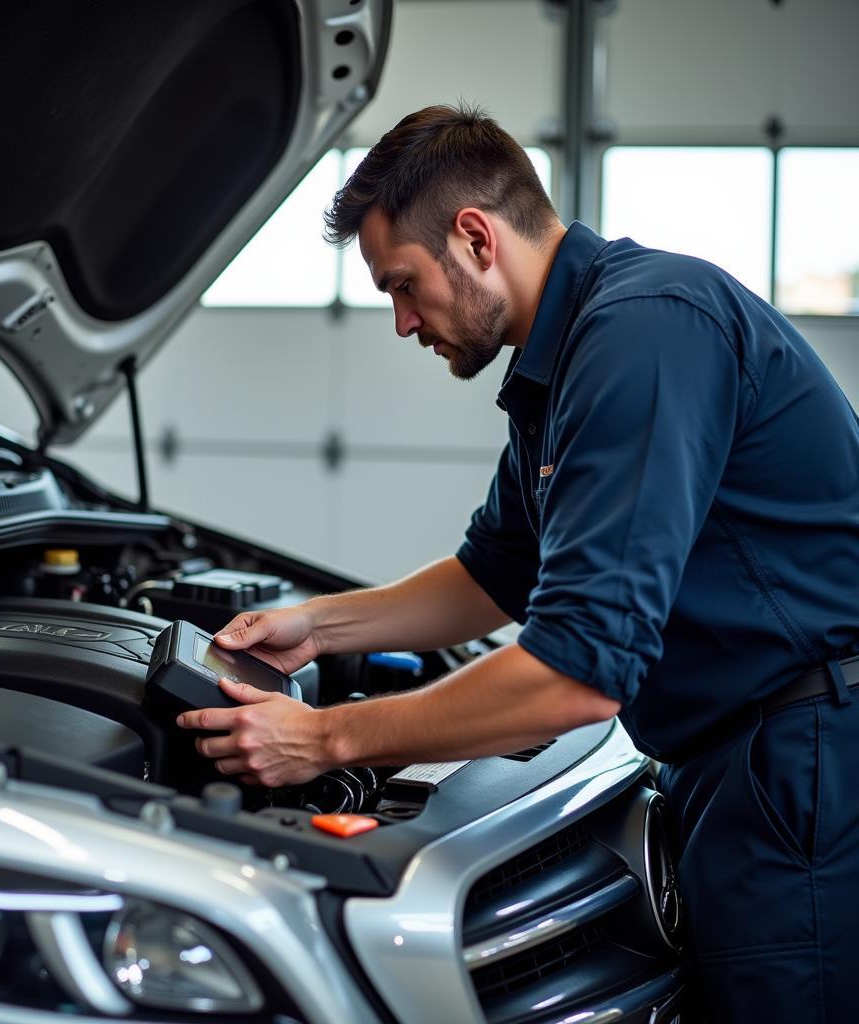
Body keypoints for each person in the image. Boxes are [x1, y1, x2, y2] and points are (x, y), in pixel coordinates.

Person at [177, 104, 859, 1021]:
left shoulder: (642, 334)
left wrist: (327, 740)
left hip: (803, 763)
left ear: (473, 238)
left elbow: (579, 677)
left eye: (403, 285)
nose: (402, 322)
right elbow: (493, 574)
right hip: (741, 762)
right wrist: (317, 624)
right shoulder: (567, 360)